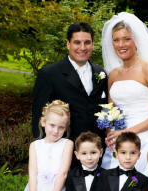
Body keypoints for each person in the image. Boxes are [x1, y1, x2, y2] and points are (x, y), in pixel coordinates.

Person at [101, 12, 148, 177]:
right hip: (119, 141)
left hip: (145, 138)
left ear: (137, 41)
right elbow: (110, 112)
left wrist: (129, 132)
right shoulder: (113, 75)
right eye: (116, 40)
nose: (121, 44)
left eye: (126, 39)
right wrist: (110, 135)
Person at [32, 22, 108, 162]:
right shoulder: (49, 74)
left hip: (97, 154)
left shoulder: (101, 73)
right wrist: (45, 155)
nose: (82, 48)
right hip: (63, 154)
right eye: (77, 42)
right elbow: (38, 116)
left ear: (92, 44)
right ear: (68, 44)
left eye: (87, 42)